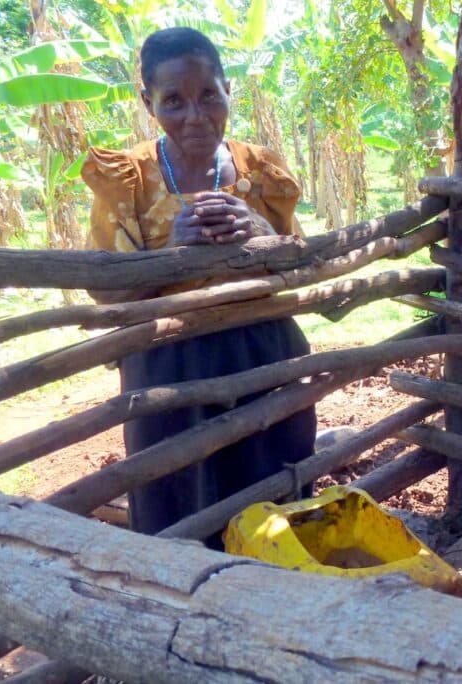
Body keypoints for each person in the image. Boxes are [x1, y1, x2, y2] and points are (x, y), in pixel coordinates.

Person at [81, 26, 316, 548]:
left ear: (227, 89)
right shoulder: (129, 179)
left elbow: (303, 261)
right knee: (177, 497)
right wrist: (169, 254)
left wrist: (260, 233)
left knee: (274, 489)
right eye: (174, 101)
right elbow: (107, 291)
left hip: (264, 352)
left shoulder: (262, 169)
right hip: (168, 366)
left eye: (208, 95)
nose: (195, 115)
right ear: (149, 103)